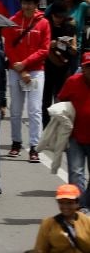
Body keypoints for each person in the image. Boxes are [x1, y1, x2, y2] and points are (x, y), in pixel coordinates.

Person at [3, 0, 50, 163]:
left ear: (37, 4)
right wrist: (20, 68)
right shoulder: (13, 21)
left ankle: (34, 147)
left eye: (31, 3)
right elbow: (8, 46)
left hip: (36, 71)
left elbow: (44, 50)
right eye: (24, 2)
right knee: (15, 110)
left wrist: (26, 64)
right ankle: (16, 143)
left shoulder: (44, 23)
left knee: (35, 110)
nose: (27, 6)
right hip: (16, 70)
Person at [58, 52, 90, 208]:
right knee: (76, 174)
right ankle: (79, 209)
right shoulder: (72, 81)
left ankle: (84, 205)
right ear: (82, 68)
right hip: (75, 137)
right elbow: (60, 101)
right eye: (88, 67)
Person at [32, 183, 90, 252]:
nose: (65, 206)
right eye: (61, 202)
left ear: (77, 203)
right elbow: (40, 249)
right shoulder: (48, 224)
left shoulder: (87, 222)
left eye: (69, 203)